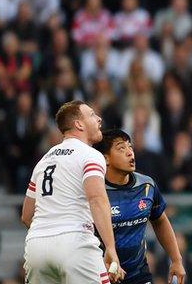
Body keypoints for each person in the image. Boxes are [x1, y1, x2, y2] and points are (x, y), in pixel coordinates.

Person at [22, 100, 124, 284]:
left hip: (36, 246)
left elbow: (26, 215)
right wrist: (110, 247)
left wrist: (50, 232)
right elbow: (96, 199)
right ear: (79, 124)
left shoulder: (44, 160)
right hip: (75, 242)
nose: (99, 119)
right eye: (92, 115)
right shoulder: (90, 155)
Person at [95, 129, 186, 284]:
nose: (130, 152)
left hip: (138, 274)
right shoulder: (95, 193)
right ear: (106, 159)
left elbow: (160, 221)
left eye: (130, 147)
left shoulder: (146, 185)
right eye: (121, 148)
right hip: (100, 274)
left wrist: (176, 260)